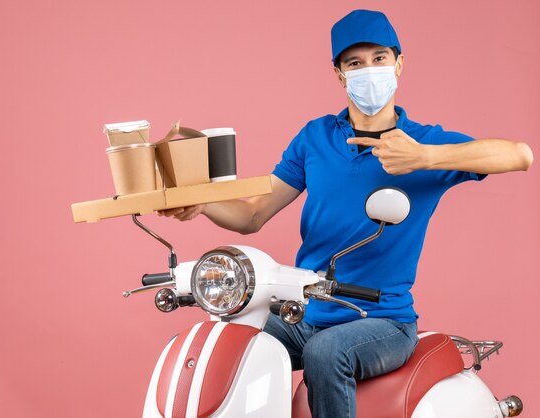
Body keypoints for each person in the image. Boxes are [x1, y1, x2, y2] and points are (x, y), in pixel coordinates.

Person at [158, 9, 534, 418]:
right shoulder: (314, 138)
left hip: (384, 320)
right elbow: (253, 214)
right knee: (229, 334)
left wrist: (425, 156)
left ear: (399, 64)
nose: (368, 70)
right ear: (339, 73)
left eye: (379, 58)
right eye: (355, 63)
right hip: (305, 311)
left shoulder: (424, 143)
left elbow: (519, 154)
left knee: (327, 351)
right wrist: (202, 204)